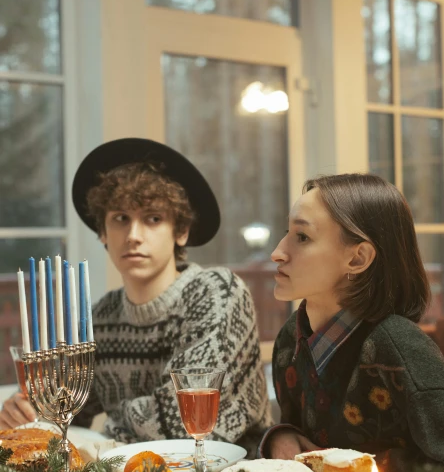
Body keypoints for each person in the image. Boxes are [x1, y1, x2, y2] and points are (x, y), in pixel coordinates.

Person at [260, 173, 444, 472]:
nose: (277, 253)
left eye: (302, 237)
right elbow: (308, 444)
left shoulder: (397, 344)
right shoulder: (289, 341)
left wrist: (363, 471)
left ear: (357, 259)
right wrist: (280, 436)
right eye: (287, 233)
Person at [1, 138, 271, 453]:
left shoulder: (216, 292)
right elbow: (63, 408)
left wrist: (115, 420)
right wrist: (24, 413)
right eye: (120, 219)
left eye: (153, 219)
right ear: (102, 231)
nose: (133, 236)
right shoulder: (101, 317)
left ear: (181, 231)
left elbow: (184, 426)